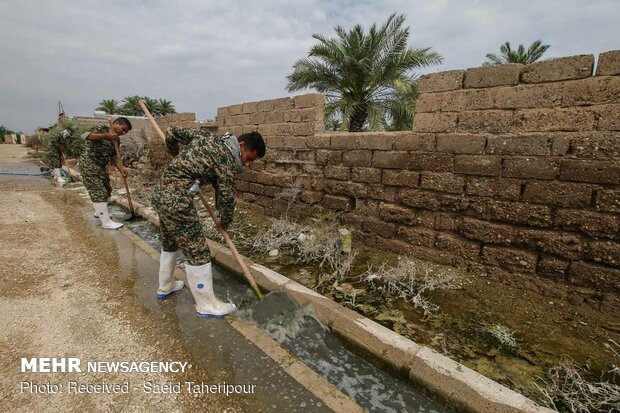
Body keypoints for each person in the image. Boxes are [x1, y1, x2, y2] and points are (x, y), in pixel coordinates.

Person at [152, 126, 265, 317]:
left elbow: (171, 131)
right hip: (177, 202)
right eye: (249, 158)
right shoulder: (226, 160)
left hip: (161, 194)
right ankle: (206, 304)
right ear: (241, 144)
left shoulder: (206, 136)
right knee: (198, 251)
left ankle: (166, 286)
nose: (247, 165)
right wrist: (224, 222)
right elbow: (226, 199)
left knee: (170, 242)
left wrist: (173, 153)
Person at [79, 117, 132, 230]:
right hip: (89, 164)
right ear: (116, 123)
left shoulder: (116, 140)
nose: (123, 133)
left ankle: (99, 213)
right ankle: (106, 222)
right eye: (123, 129)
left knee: (107, 190)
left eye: (125, 132)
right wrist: (105, 136)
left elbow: (114, 157)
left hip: (100, 166)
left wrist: (122, 170)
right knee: (98, 191)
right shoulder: (101, 129)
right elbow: (85, 135)